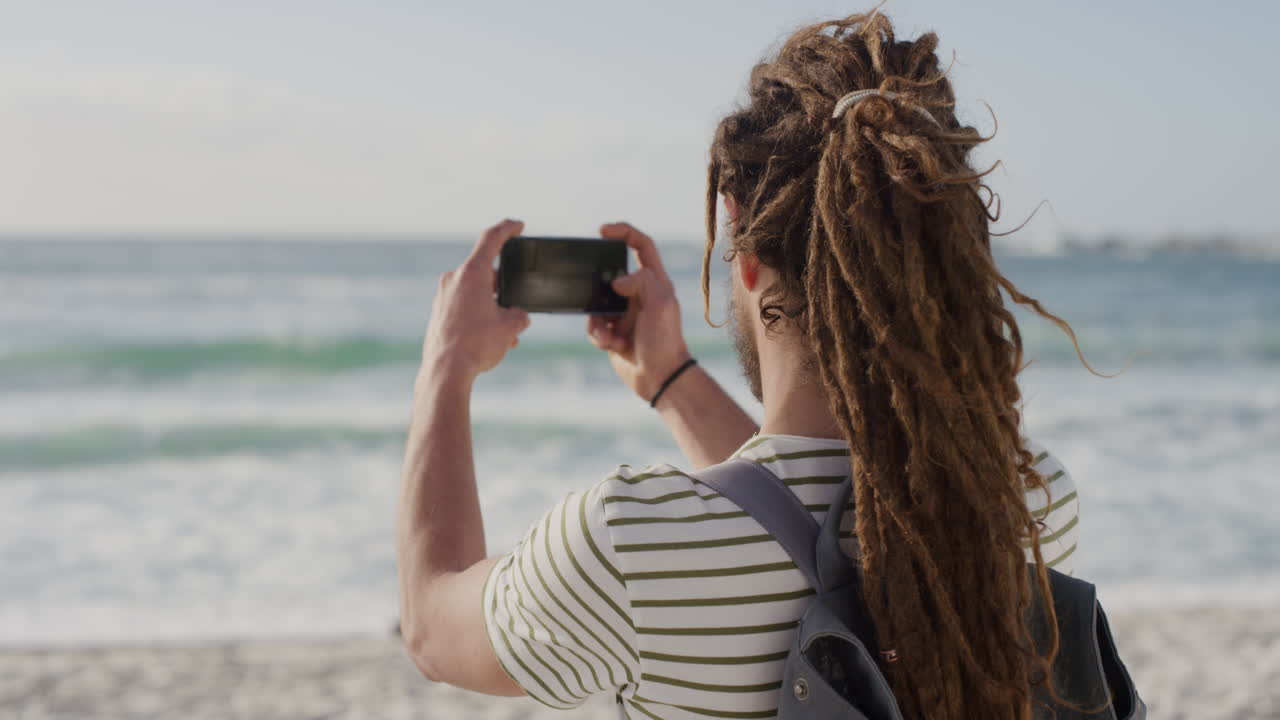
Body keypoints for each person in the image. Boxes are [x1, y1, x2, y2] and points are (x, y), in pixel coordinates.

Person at [396, 10, 1085, 720]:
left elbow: (429, 623)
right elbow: (823, 511)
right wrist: (670, 381)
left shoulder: (634, 548)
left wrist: (445, 366)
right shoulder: (1027, 505)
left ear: (745, 252)